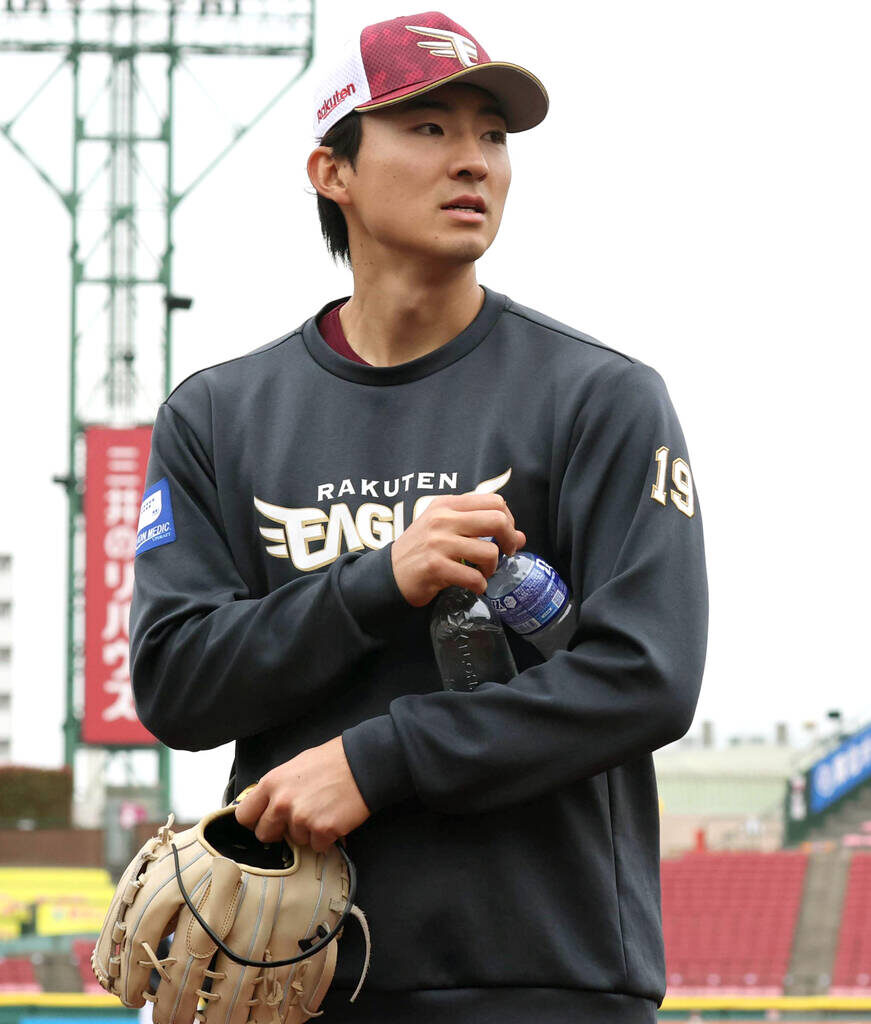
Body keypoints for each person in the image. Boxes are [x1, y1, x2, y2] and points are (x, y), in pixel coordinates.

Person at [129, 10, 708, 1024]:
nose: (473, 161)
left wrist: (378, 757)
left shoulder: (599, 397)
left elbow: (645, 676)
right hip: (294, 982)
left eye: (491, 132)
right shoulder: (217, 415)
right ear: (331, 171)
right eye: (429, 128)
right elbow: (177, 684)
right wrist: (375, 582)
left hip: (546, 982)